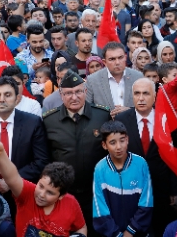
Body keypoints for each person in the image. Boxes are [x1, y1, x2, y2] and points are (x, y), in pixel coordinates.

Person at [42, 71, 111, 233]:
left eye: (78, 92)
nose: (74, 97)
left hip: (96, 194)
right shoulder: (49, 120)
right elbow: (46, 157)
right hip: (64, 194)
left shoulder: (102, 115)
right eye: (68, 93)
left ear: (85, 92)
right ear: (61, 95)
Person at [0, 139, 87, 237]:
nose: (41, 194)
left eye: (50, 193)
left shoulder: (71, 203)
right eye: (41, 186)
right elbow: (12, 177)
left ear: (61, 196)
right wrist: (1, 154)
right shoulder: (28, 193)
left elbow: (81, 228)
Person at [115, 78, 176, 235]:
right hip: (130, 189)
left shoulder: (166, 118)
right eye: (137, 93)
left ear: (154, 96)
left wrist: (173, 189)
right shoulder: (121, 120)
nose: (141, 98)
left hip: (160, 190)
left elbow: (175, 155)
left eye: (145, 93)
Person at [0, 76, 50, 216]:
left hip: (23, 194)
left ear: (17, 98)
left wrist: (11, 182)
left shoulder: (32, 123)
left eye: (7, 95)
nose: (2, 99)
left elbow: (41, 161)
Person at [93, 120, 153, 237]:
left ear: (127, 140)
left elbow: (146, 202)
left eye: (122, 140)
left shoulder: (141, 164)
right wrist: (116, 234)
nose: (119, 147)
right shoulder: (100, 168)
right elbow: (99, 207)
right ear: (104, 145)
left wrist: (130, 231)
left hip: (138, 233)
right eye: (112, 142)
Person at [85, 42, 144, 115]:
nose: (117, 62)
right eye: (112, 59)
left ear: (125, 57)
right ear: (104, 62)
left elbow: (147, 106)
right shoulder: (92, 80)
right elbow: (86, 109)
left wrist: (130, 112)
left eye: (120, 57)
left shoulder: (138, 77)